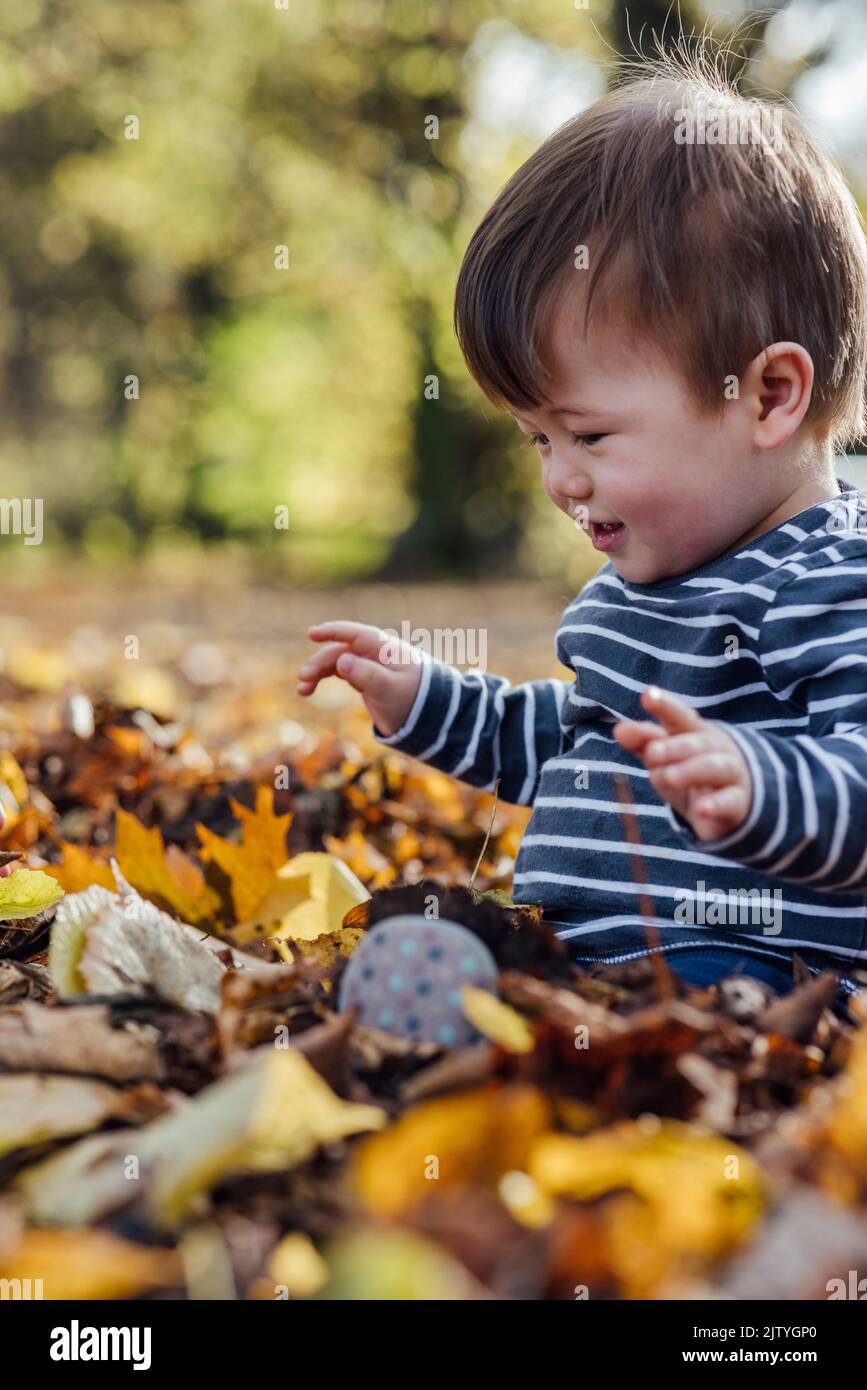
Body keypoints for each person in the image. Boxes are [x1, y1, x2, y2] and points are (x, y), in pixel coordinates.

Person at [298, 54, 867, 1007]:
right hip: (588, 961)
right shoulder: (639, 588)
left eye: (590, 434)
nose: (560, 479)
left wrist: (756, 786)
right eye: (537, 438)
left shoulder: (826, 581)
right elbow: (569, 742)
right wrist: (427, 700)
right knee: (407, 958)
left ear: (767, 395)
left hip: (745, 970)